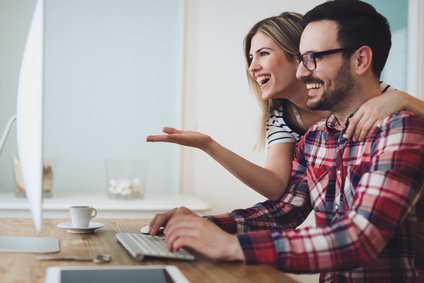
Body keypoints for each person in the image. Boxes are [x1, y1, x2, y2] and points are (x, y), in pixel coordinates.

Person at [150, 1, 424, 281]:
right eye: (301, 58)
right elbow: (283, 212)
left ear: (360, 60)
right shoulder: (315, 137)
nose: (302, 72)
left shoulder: (400, 129)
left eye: (312, 58)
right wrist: (203, 226)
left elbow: (361, 238)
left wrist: (232, 246)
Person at [146, 12, 424, 202]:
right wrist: (210, 146)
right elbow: (277, 187)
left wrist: (404, 100)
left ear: (299, 56)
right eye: (251, 57)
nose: (252, 67)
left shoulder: (375, 97)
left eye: (263, 53)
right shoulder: (284, 118)